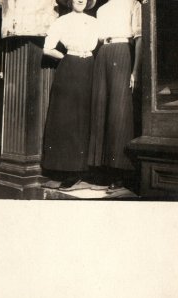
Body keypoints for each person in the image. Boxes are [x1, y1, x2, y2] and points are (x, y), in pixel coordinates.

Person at [41, 0, 98, 189]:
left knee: (86, 116)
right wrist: (66, 58)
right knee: (66, 118)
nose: (80, 0)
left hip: (90, 68)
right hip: (69, 69)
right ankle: (64, 170)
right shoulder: (62, 21)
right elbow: (47, 48)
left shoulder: (94, 22)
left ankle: (82, 170)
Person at [88, 0, 143, 191]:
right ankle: (103, 168)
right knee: (101, 108)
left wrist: (135, 71)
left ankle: (120, 172)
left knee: (119, 112)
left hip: (122, 52)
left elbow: (139, 39)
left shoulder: (133, 4)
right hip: (102, 54)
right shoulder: (101, 10)